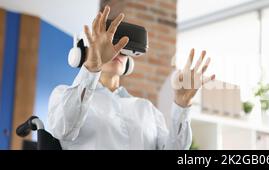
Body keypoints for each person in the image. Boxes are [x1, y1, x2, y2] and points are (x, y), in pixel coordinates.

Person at [47, 6, 215, 150]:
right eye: (109, 45)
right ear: (82, 54)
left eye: (124, 48)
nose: (117, 51)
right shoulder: (63, 95)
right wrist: (92, 67)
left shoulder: (146, 108)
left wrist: (181, 105)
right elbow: (63, 130)